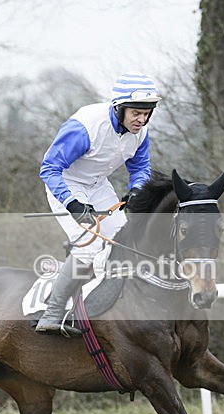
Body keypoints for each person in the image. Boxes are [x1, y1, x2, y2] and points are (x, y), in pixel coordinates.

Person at [35, 72, 161, 336]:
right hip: (65, 184)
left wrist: (137, 189)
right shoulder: (85, 127)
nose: (142, 120)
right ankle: (53, 313)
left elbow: (140, 167)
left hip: (98, 185)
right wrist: (73, 205)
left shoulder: (140, 132)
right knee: (89, 247)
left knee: (122, 239)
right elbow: (49, 169)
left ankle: (109, 305)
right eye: (137, 113)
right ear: (119, 107)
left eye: (147, 113)